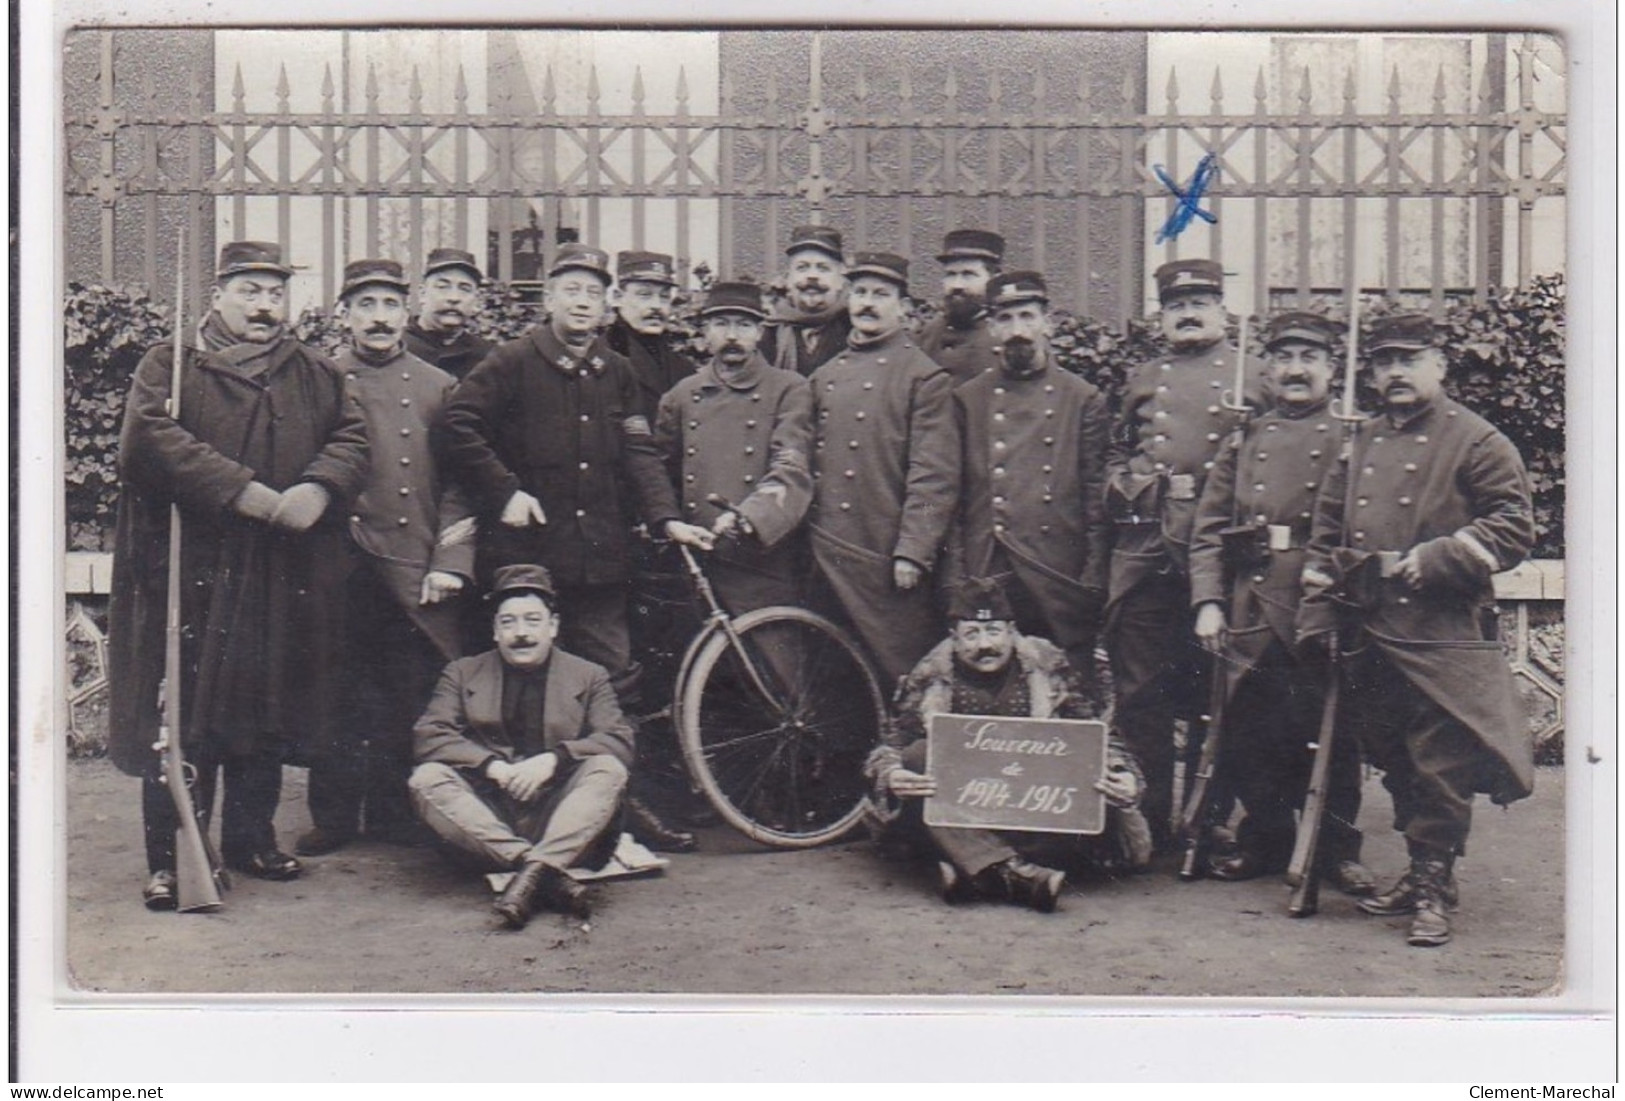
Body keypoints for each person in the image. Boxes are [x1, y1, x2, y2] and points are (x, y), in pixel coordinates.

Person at [107, 240, 370, 907]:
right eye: (249, 290)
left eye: (274, 292)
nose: (263, 305)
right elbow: (148, 441)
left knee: (266, 704)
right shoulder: (170, 366)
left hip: (283, 565)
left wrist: (317, 488)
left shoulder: (314, 371)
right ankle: (171, 860)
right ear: (219, 293)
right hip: (192, 571)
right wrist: (243, 490)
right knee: (184, 714)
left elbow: (352, 437)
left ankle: (252, 838)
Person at [441, 242, 708, 852]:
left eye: (593, 292)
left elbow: (638, 451)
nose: (583, 302)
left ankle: (624, 807)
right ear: (550, 297)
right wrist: (505, 490)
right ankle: (515, 818)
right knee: (518, 683)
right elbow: (457, 424)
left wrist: (665, 518)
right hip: (527, 558)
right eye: (571, 290)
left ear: (605, 301)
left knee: (614, 684)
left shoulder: (615, 370)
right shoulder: (512, 360)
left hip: (600, 558)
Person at [1296, 313, 1535, 947]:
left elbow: (1512, 526)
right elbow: (1326, 539)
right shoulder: (1361, 443)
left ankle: (1432, 887)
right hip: (1369, 634)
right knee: (1397, 762)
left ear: (1440, 365)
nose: (1395, 373)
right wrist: (1320, 615)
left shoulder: (1478, 441)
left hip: (1442, 637)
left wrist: (1431, 558)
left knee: (1439, 767)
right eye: (1383, 363)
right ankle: (1423, 872)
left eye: (1410, 359)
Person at [295, 258, 475, 858]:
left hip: (411, 559)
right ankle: (336, 814)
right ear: (343, 314)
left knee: (409, 692)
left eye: (389, 305)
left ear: (406, 312)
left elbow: (461, 480)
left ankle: (401, 813)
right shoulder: (318, 377)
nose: (377, 318)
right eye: (364, 306)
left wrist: (452, 559)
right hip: (339, 562)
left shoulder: (436, 385)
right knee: (337, 689)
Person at [1188, 311, 1373, 894]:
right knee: (1249, 728)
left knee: (1331, 730)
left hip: (1320, 602)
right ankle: (1265, 837)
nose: (1296, 371)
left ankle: (1337, 850)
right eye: (1285, 360)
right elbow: (1209, 530)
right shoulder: (1244, 439)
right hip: (1250, 602)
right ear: (1268, 369)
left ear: (1330, 368)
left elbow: (1362, 529)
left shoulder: (1354, 436)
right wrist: (1208, 601)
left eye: (1309, 360)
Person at [863, 578, 1151, 911]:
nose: (984, 645)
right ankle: (1018, 877)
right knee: (917, 757)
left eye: (994, 631)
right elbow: (891, 744)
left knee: (1082, 782)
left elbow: (1096, 733)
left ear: (1012, 631)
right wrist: (892, 774)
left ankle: (974, 871)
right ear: (954, 638)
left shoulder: (1049, 667)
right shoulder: (931, 678)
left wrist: (1122, 774)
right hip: (965, 812)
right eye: (971, 634)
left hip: (1032, 811)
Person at [1103, 257, 1263, 847]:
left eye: (1199, 304)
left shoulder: (1255, 376)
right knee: (1140, 688)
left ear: (1223, 311)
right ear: (1161, 317)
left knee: (1218, 689)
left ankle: (1208, 816)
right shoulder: (1145, 377)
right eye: (1175, 306)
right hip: (1148, 551)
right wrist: (1127, 485)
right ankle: (1146, 815)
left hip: (1221, 554)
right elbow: (1117, 453)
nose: (1187, 315)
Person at [409, 565, 635, 929]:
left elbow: (618, 739)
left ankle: (530, 872)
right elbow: (429, 735)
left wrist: (555, 759)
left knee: (609, 769)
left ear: (553, 627)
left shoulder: (589, 674)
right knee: (427, 777)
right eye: (509, 622)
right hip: (489, 818)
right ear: (495, 630)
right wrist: (491, 766)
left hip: (562, 813)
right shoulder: (462, 672)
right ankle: (542, 870)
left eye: (533, 620)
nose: (521, 634)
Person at [806, 252, 960, 690]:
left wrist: (913, 548)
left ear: (904, 308)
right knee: (832, 674)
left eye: (881, 294)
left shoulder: (923, 378)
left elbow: (934, 475)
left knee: (900, 673)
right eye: (860, 292)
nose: (867, 303)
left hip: (884, 555)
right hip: (826, 549)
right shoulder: (825, 376)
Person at [947, 270, 1109, 684]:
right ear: (991, 329)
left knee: (1067, 687)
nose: (1017, 330)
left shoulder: (1082, 398)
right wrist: (959, 571)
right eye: (1004, 319)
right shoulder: (969, 399)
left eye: (1026, 316)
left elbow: (1094, 492)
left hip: (1056, 568)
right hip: (990, 563)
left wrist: (1092, 571)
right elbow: (954, 494)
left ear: (1047, 322)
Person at [655, 279, 813, 614]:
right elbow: (661, 472)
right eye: (720, 324)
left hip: (762, 562)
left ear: (759, 332)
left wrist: (750, 517)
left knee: (768, 662)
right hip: (697, 560)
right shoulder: (682, 395)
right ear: (705, 332)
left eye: (743, 325)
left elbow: (792, 466)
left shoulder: (788, 389)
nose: (731, 336)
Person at [602, 250, 696, 422]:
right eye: (645, 295)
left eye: (664, 297)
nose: (656, 306)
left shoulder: (684, 367)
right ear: (617, 298)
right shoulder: (599, 358)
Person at [759, 225, 852, 376]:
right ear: (788, 278)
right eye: (802, 268)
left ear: (841, 278)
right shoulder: (768, 329)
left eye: (823, 268)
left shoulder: (855, 326)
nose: (812, 276)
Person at [917, 228, 1004, 386]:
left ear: (995, 278)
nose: (957, 285)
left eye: (968, 275)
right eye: (951, 274)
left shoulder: (1006, 335)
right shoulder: (929, 333)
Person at [403, 247, 492, 381]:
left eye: (464, 289)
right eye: (442, 287)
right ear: (422, 294)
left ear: (477, 300)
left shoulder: (489, 357)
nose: (454, 297)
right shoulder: (396, 347)